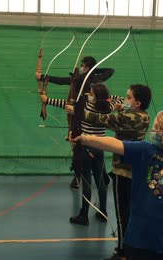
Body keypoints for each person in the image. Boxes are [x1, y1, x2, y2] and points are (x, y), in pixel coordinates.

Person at [70, 108, 163, 260]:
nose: (154, 131)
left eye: (160, 128)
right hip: (139, 238)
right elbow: (114, 144)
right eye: (154, 128)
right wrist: (84, 138)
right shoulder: (144, 150)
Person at [83, 84, 152, 259]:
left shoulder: (127, 117)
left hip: (123, 172)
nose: (125, 99)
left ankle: (123, 253)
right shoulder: (143, 116)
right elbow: (120, 117)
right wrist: (121, 108)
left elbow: (100, 119)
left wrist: (77, 111)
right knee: (132, 212)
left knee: (123, 214)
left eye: (128, 97)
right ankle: (133, 248)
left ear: (137, 103)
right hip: (137, 170)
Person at [41, 83, 120, 226]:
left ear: (95, 97)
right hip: (100, 147)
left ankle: (84, 215)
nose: (88, 94)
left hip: (86, 147)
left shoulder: (85, 107)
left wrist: (47, 100)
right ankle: (103, 212)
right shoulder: (108, 108)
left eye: (91, 93)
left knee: (86, 181)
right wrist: (106, 98)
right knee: (100, 180)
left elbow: (65, 104)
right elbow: (119, 99)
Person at [36, 56, 115, 190]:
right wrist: (94, 70)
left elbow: (62, 82)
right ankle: (102, 178)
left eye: (83, 65)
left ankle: (78, 178)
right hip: (93, 119)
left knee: (79, 149)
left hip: (81, 116)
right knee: (97, 151)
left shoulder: (81, 79)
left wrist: (43, 77)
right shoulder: (97, 79)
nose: (81, 68)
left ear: (88, 67)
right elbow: (110, 70)